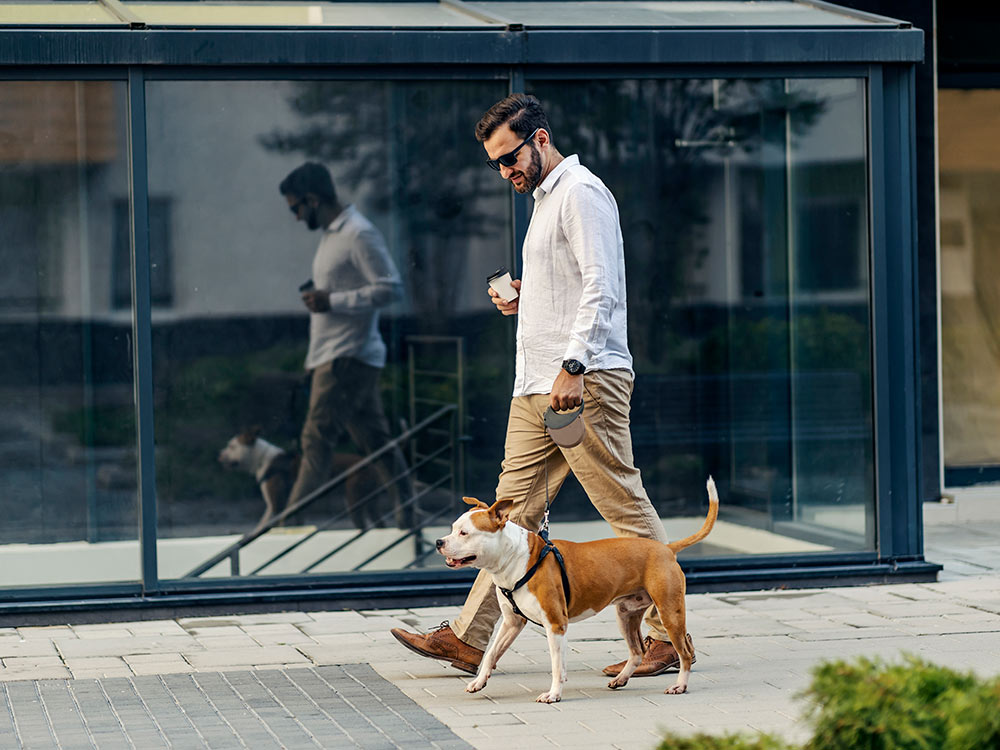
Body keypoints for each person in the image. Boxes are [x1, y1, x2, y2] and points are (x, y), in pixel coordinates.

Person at [391, 95, 692, 678]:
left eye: (511, 158)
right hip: (535, 382)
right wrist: (528, 299)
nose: (506, 171)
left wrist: (574, 367)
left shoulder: (581, 194)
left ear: (542, 138)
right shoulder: (544, 201)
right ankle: (468, 638)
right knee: (510, 510)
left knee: (623, 505)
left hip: (584, 378)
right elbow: (572, 287)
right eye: (496, 165)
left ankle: (661, 636)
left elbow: (603, 287)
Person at [280, 162, 411, 528]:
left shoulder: (358, 234)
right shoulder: (332, 235)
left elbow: (391, 288)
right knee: (376, 441)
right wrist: (313, 358)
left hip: (347, 357)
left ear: (312, 199)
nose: (294, 217)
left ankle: (287, 526)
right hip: (336, 355)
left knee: (315, 439)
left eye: (295, 208)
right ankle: (409, 516)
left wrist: (332, 301)